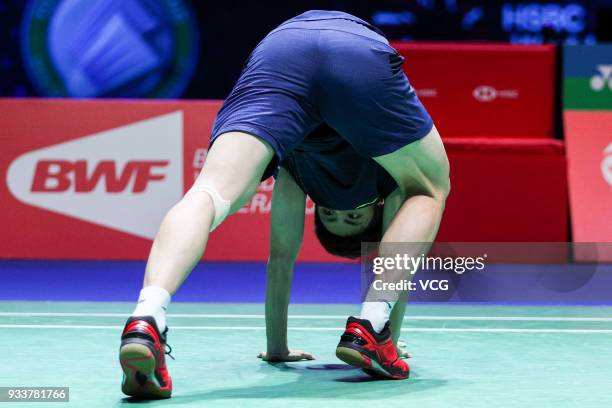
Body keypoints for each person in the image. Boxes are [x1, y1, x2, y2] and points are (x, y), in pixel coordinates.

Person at [118, 10, 450, 398]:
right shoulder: (387, 184)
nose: (340, 205)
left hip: (281, 50)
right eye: (348, 213)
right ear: (376, 213)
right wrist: (390, 330)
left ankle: (147, 313)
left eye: (335, 214)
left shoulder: (301, 171)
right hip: (355, 49)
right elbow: (397, 259)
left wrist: (277, 348)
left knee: (208, 192)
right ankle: (373, 324)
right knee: (428, 189)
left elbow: (281, 259)